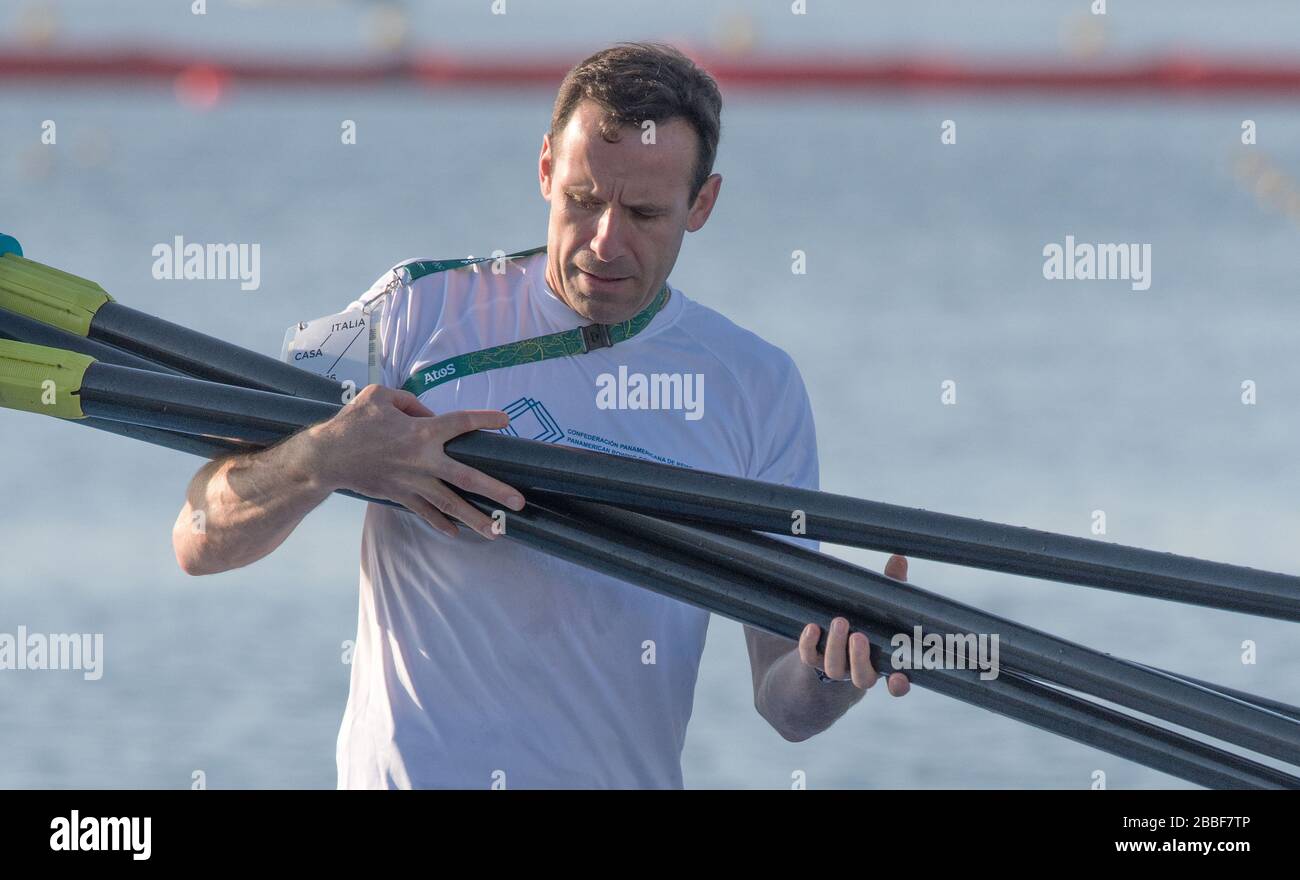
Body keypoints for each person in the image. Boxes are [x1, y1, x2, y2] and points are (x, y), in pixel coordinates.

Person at [171, 42, 909, 789]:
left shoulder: (758, 386)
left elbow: (786, 703)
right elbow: (199, 536)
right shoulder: (411, 310)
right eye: (584, 199)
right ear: (547, 167)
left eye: (646, 213)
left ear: (702, 205)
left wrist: (835, 673)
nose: (605, 242)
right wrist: (322, 459)